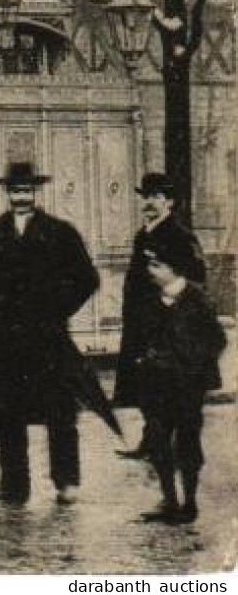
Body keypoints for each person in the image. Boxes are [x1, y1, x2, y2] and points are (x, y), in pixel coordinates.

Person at [0, 162, 98, 505]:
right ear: (7, 193)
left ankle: (66, 482)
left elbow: (87, 279)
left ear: (36, 193)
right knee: (7, 414)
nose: (22, 196)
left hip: (47, 339)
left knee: (60, 411)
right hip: (3, 341)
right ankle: (14, 484)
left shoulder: (60, 232)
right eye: (16, 190)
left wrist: (56, 309)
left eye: (27, 190)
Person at [114, 172, 208, 456]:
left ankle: (167, 444)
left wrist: (170, 302)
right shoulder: (143, 235)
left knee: (166, 384)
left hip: (168, 325)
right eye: (146, 196)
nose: (149, 203)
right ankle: (152, 441)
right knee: (145, 384)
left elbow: (197, 277)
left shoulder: (181, 235)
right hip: (141, 323)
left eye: (156, 197)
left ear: (169, 202)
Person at [131, 247, 225, 524]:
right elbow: (141, 335)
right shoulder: (149, 299)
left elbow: (216, 340)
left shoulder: (198, 299)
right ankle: (169, 501)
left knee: (187, 442)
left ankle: (190, 503)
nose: (151, 271)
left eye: (157, 265)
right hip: (155, 384)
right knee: (158, 441)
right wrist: (144, 358)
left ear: (176, 269)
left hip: (187, 385)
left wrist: (190, 363)